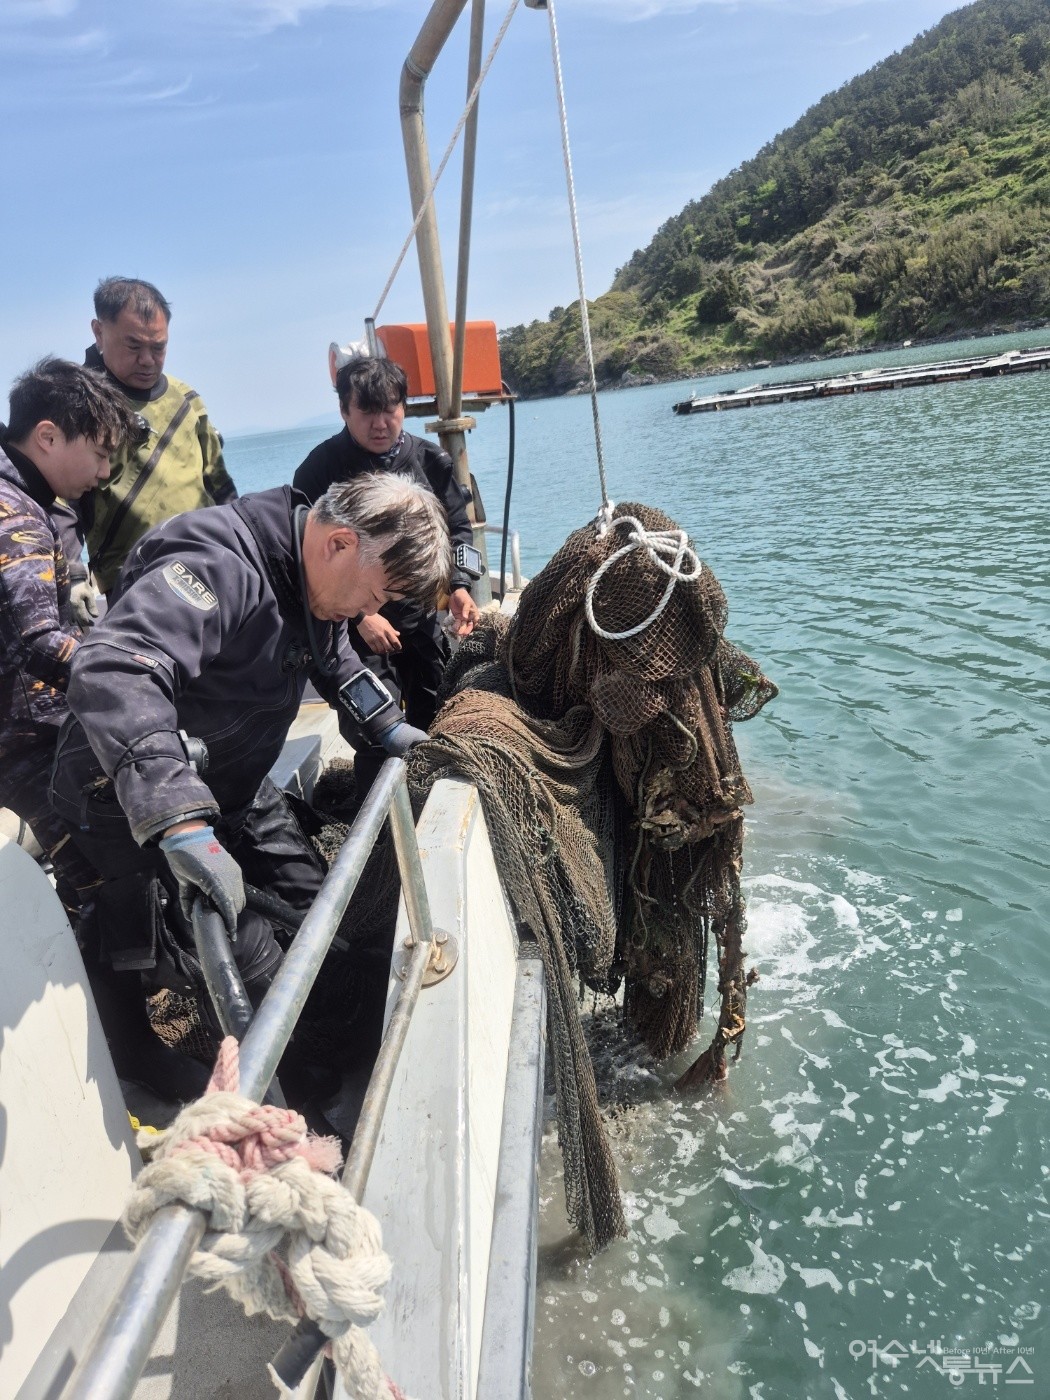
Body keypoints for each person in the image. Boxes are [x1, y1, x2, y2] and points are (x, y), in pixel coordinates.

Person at [50, 472, 451, 1102]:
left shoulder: (309, 576)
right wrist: (178, 818)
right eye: (373, 595)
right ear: (340, 543)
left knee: (321, 905)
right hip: (131, 791)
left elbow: (336, 655)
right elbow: (113, 668)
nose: (368, 613)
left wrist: (393, 729)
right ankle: (191, 1068)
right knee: (221, 951)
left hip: (236, 781)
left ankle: (317, 1048)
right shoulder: (218, 566)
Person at [294, 356, 482, 795]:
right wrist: (360, 616)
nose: (381, 423)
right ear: (344, 411)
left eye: (391, 410)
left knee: (437, 705)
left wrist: (459, 585)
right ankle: (379, 831)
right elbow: (306, 562)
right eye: (368, 412)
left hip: (420, 619)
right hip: (354, 631)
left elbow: (460, 527)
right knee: (375, 733)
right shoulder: (320, 469)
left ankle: (431, 800)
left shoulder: (429, 460)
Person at [0, 357, 137, 909]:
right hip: (23, 743)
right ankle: (118, 991)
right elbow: (36, 642)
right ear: (49, 437)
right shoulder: (17, 516)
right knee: (105, 884)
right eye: (101, 453)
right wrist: (134, 675)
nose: (104, 473)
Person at [55, 276, 238, 624]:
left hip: (210, 566)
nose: (148, 360)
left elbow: (221, 487)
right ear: (98, 331)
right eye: (134, 346)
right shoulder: (78, 406)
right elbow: (62, 503)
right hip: (134, 580)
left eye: (158, 347)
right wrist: (74, 575)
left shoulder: (187, 401)